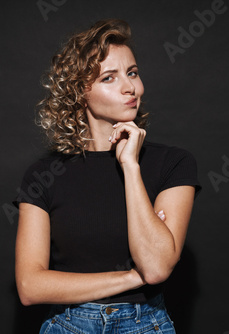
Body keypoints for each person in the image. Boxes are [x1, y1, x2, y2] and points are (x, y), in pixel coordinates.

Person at [13, 18, 201, 333]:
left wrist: (130, 166)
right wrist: (130, 277)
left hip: (145, 324)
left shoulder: (173, 163)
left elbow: (155, 269)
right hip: (68, 325)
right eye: (109, 77)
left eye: (133, 73)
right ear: (78, 92)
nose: (130, 87)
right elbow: (30, 287)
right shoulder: (43, 175)